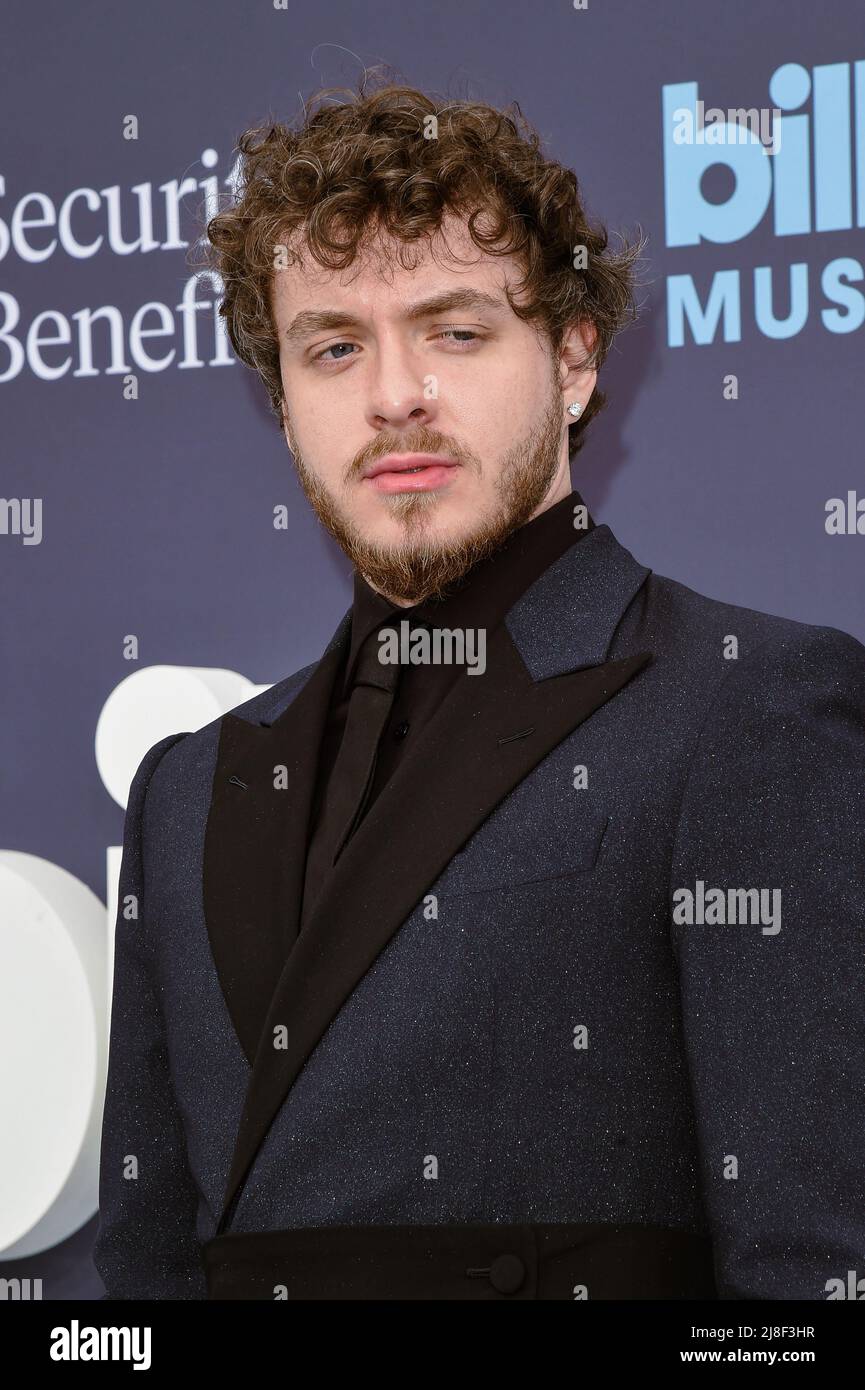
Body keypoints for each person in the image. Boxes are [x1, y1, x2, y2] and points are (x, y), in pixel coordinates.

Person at [94, 75, 865, 1301]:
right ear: (283, 401)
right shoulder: (189, 786)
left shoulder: (747, 706)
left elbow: (815, 1278)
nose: (394, 393)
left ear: (571, 357)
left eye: (454, 330)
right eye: (334, 346)